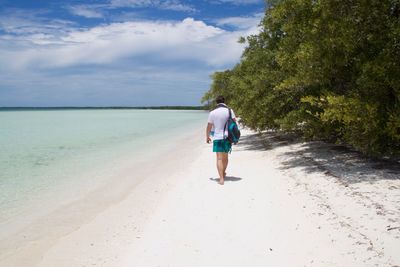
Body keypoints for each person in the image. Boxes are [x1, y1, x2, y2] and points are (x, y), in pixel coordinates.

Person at [206, 96, 236, 185]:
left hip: (217, 137)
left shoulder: (212, 113)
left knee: (219, 158)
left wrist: (207, 136)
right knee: (225, 158)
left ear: (216, 103)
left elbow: (209, 126)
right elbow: (235, 122)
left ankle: (221, 179)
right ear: (224, 101)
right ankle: (223, 172)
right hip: (227, 137)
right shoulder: (230, 111)